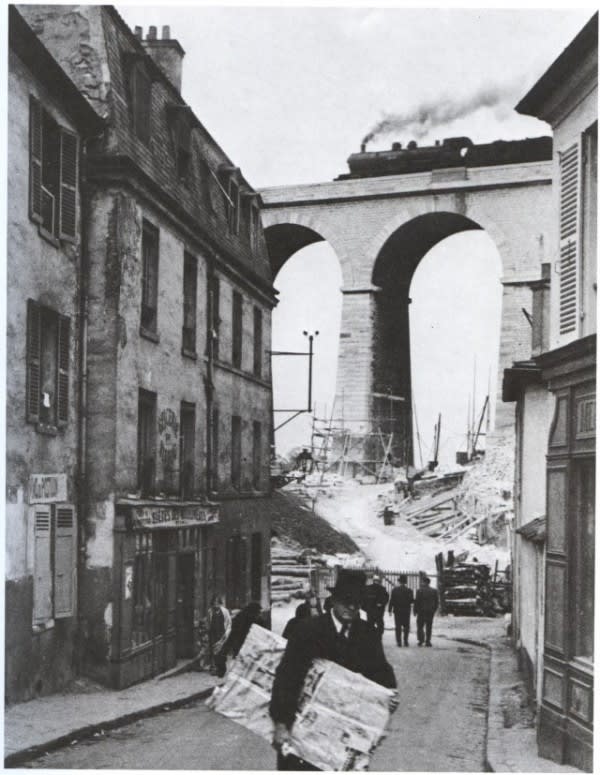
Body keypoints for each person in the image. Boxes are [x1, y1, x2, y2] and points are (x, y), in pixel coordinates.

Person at [270, 569, 397, 770]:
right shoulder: (307, 631)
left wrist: (387, 696)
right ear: (335, 600)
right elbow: (286, 679)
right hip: (303, 735)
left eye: (357, 602)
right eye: (347, 601)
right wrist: (280, 724)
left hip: (344, 740)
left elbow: (381, 673)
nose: (352, 607)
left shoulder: (368, 634)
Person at [215, 601, 263, 676]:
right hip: (243, 642)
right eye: (258, 612)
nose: (259, 614)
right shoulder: (250, 617)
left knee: (230, 654)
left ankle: (225, 670)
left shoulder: (243, 615)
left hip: (240, 641)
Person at [207, 595, 231, 674]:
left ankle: (220, 668)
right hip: (213, 634)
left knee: (221, 651)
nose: (216, 604)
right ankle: (214, 668)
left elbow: (229, 623)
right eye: (214, 603)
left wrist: (226, 633)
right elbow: (208, 622)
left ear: (220, 603)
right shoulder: (210, 611)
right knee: (213, 651)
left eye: (217, 602)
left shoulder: (225, 611)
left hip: (221, 634)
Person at [388, 574, 414, 646]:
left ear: (399, 581)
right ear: (405, 582)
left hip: (397, 611)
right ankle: (405, 641)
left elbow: (392, 601)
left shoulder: (395, 590)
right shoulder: (409, 590)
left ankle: (399, 642)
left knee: (398, 626)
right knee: (406, 626)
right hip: (406, 611)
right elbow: (411, 601)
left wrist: (390, 610)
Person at [414, 575, 439, 647]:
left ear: (424, 582)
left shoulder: (419, 590)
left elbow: (417, 602)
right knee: (429, 626)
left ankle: (421, 640)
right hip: (430, 611)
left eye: (422, 582)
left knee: (420, 626)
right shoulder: (434, 591)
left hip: (421, 611)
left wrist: (415, 611)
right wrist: (434, 610)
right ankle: (428, 641)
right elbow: (436, 602)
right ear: (429, 583)